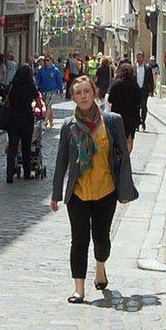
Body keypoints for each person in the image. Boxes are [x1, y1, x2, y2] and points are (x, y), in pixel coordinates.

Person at [51, 76, 138, 302]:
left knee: (101, 239)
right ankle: (79, 289)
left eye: (86, 92)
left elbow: (122, 157)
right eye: (78, 93)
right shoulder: (68, 126)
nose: (83, 96)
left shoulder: (111, 121)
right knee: (79, 240)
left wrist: (125, 189)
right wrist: (56, 194)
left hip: (105, 190)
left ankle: (100, 267)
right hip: (78, 193)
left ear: (95, 93)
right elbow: (61, 161)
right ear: (73, 98)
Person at [1, 64, 43, 183]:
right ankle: (27, 173)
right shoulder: (30, 86)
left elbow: (6, 98)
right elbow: (39, 103)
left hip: (13, 120)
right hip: (26, 119)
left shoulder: (13, 85)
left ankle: (9, 175)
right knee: (26, 147)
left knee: (12, 148)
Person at [106, 62, 143, 149]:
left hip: (117, 115)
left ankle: (119, 157)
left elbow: (110, 99)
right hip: (131, 116)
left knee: (116, 138)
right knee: (129, 139)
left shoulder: (115, 83)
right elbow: (139, 101)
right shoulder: (134, 85)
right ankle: (127, 157)